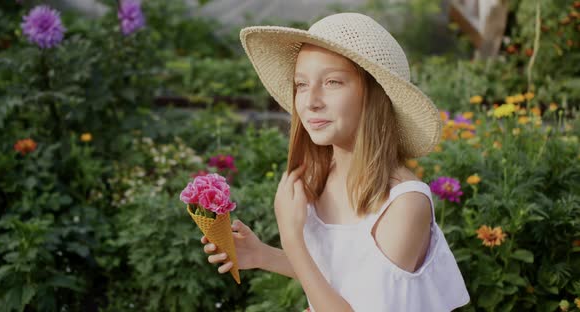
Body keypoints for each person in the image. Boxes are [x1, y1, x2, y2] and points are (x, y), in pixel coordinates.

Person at [201, 12, 470, 311]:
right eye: (301, 84)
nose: (310, 100)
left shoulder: (404, 205)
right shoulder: (321, 175)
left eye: (332, 82)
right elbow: (344, 276)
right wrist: (261, 255)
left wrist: (292, 240)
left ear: (374, 95)